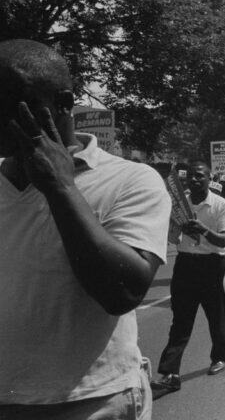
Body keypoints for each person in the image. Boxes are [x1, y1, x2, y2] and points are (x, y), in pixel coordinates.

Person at [0, 39, 170, 419]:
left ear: (63, 102)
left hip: (90, 403)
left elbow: (122, 292)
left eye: (11, 99)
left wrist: (60, 187)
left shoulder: (130, 180)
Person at [152, 161, 225, 391]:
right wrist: (179, 230)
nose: (194, 180)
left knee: (216, 316)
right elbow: (169, 237)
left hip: (214, 266)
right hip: (186, 266)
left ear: (209, 178)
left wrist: (203, 230)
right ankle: (170, 372)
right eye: (191, 176)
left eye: (200, 176)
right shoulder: (178, 206)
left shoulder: (222, 205)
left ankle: (219, 357)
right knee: (181, 320)